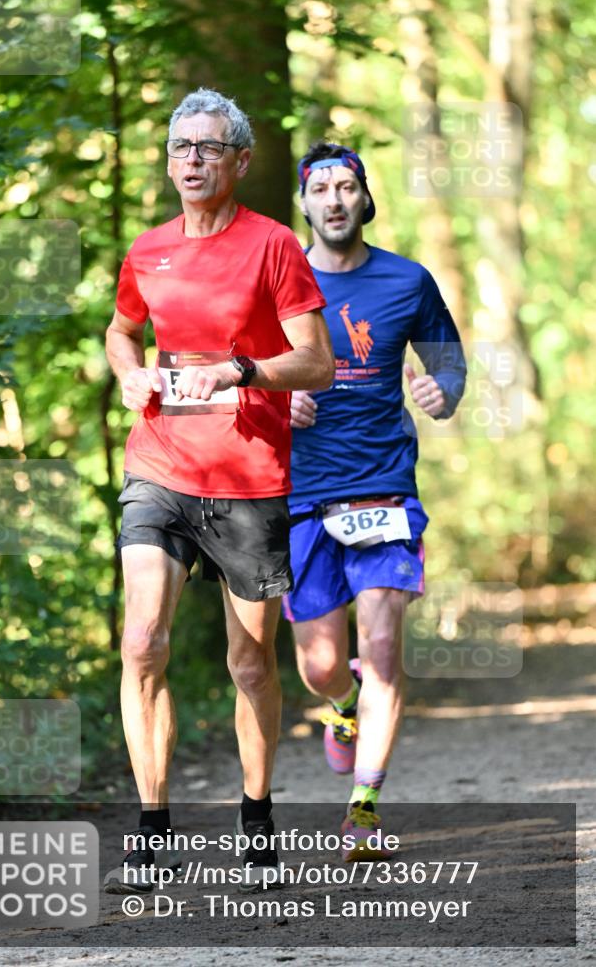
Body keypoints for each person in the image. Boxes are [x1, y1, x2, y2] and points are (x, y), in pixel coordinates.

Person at [102, 91, 333, 894]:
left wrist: (241, 370)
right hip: (159, 466)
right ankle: (153, 830)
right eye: (179, 146)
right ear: (168, 162)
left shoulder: (272, 246)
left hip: (248, 479)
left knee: (248, 662)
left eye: (208, 147)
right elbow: (121, 327)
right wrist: (132, 375)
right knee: (141, 644)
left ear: (238, 161)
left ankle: (257, 816)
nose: (191, 159)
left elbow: (317, 363)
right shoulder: (148, 249)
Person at [284, 141, 466, 860]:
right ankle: (341, 706)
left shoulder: (406, 281)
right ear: (302, 203)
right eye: (320, 188)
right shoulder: (277, 280)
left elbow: (446, 361)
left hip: (384, 488)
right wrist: (278, 396)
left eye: (346, 186)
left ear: (364, 199)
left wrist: (440, 392)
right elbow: (240, 373)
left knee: (382, 645)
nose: (333, 199)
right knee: (320, 665)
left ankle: (362, 810)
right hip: (300, 495)